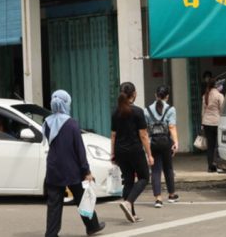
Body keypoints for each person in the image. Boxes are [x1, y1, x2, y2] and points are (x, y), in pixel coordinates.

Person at [43, 90, 106, 237]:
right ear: (66, 103)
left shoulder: (47, 123)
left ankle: (51, 234)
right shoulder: (71, 124)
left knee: (54, 203)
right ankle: (92, 226)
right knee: (82, 198)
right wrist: (87, 171)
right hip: (72, 169)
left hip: (53, 167)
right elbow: (79, 149)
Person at [110, 82, 153, 223]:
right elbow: (143, 135)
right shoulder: (138, 111)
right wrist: (149, 154)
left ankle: (132, 213)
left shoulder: (116, 112)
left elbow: (113, 135)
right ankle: (128, 203)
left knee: (128, 180)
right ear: (134, 94)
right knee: (144, 178)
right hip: (134, 150)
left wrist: (112, 153)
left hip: (120, 151)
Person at [145, 85, 179, 208]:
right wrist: (175, 142)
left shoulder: (147, 110)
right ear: (167, 96)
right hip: (165, 142)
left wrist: (146, 146)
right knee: (168, 168)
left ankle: (158, 199)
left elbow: (145, 130)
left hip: (153, 142)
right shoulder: (170, 109)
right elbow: (172, 127)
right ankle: (171, 195)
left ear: (155, 95)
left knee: (155, 170)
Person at [201, 75, 225, 173]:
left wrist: (202, 123)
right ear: (216, 85)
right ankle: (218, 165)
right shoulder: (219, 95)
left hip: (206, 123)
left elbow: (203, 111)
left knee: (210, 146)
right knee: (218, 145)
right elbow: (222, 110)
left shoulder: (205, 95)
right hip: (217, 123)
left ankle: (210, 167)